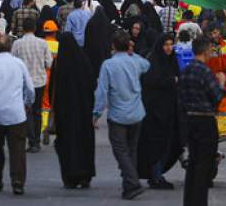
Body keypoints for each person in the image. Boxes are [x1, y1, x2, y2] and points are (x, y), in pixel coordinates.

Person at [93, 29, 150, 200]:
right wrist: (133, 54)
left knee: (120, 151)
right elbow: (147, 65)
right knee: (131, 150)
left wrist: (96, 113)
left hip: (118, 115)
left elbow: (102, 92)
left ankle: (132, 182)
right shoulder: (135, 62)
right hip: (137, 113)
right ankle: (129, 187)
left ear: (112, 46)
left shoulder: (108, 65)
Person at [0, 34, 35, 195]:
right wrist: (27, 103)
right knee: (17, 150)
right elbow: (30, 88)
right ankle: (18, 181)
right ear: (11, 47)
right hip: (17, 113)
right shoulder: (19, 64)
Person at [178, 38, 226, 206]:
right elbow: (217, 96)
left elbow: (180, 98)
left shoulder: (185, 71)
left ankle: (189, 201)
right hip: (205, 120)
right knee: (203, 166)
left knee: (193, 163)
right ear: (205, 51)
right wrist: (221, 83)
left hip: (190, 120)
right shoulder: (205, 72)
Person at [50, 32, 96, 189]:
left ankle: (70, 176)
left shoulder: (60, 65)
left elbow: (53, 91)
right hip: (84, 111)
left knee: (67, 145)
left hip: (65, 114)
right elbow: (92, 85)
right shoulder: (84, 62)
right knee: (85, 143)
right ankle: (85, 175)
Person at [137, 35, 180, 190]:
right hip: (154, 113)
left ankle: (156, 175)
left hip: (168, 112)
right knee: (157, 145)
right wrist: (170, 82)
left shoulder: (171, 62)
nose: (169, 48)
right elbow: (150, 83)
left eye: (171, 44)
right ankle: (155, 176)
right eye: (166, 45)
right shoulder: (153, 63)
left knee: (165, 145)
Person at [11, 18, 53, 153]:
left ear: (23, 29)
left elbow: (13, 62)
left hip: (23, 82)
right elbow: (49, 63)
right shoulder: (42, 43)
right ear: (35, 29)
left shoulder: (17, 44)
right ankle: (37, 140)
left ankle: (32, 140)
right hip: (40, 81)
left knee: (27, 110)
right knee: (38, 111)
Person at [205, 23, 226, 139]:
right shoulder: (206, 47)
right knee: (212, 106)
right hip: (211, 81)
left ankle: (223, 132)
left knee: (224, 107)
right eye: (211, 33)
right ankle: (213, 130)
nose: (213, 35)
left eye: (215, 32)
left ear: (219, 32)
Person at [83, 5, 112, 82]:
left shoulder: (91, 22)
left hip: (93, 49)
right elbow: (110, 35)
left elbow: (87, 37)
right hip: (104, 48)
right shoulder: (106, 21)